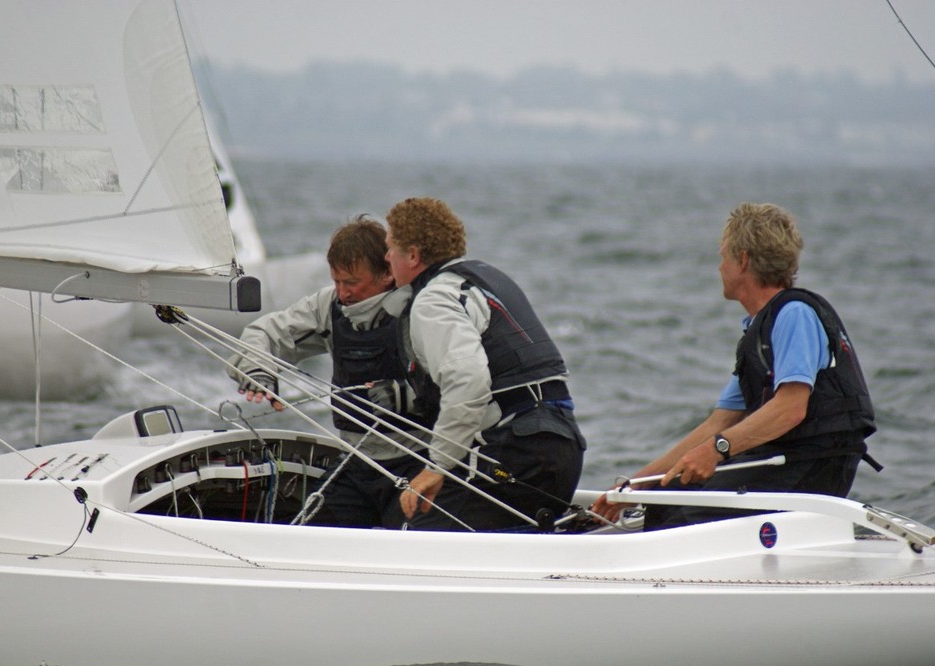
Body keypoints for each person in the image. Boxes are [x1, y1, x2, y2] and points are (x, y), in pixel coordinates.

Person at [593, 202, 877, 530]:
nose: (719, 267)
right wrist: (638, 485)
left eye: (723, 256)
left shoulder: (794, 316)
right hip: (782, 461)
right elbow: (720, 422)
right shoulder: (759, 332)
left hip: (815, 466)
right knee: (667, 498)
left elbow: (791, 408)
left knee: (687, 521)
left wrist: (718, 450)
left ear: (742, 260)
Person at [384, 197, 586, 532]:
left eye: (391, 247)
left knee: (412, 531)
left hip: (521, 448)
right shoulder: (486, 277)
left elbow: (468, 382)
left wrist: (437, 466)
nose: (386, 256)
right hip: (564, 444)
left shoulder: (433, 299)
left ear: (414, 255)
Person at [227, 215, 428, 528]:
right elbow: (264, 332)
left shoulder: (422, 311)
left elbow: (463, 384)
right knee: (304, 534)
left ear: (387, 273)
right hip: (356, 459)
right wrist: (259, 371)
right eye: (336, 281)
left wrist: (406, 396)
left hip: (417, 460)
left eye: (352, 283)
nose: (342, 293)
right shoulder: (329, 305)